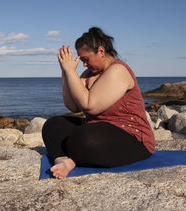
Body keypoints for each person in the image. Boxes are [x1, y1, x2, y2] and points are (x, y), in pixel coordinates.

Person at [42, 27, 156, 179]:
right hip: (96, 128)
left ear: (101, 51)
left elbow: (90, 106)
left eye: (85, 59)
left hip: (132, 137)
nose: (83, 64)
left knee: (84, 139)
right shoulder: (88, 75)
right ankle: (63, 160)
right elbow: (73, 106)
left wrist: (71, 72)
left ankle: (74, 155)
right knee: (52, 124)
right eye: (80, 60)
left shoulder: (118, 71)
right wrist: (65, 72)